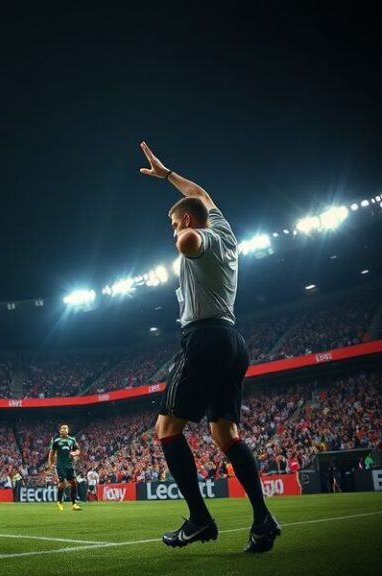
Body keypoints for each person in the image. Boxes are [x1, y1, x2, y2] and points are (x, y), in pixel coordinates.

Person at [139, 142, 280, 553]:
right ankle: (262, 520)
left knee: (166, 430)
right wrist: (167, 175)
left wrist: (185, 236)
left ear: (186, 220)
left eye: (173, 224)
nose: (173, 232)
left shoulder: (200, 239)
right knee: (225, 434)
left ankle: (200, 519)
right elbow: (200, 195)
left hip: (203, 339)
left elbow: (188, 241)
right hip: (232, 340)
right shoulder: (225, 230)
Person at [48, 424, 82, 511]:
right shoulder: (56, 441)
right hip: (60, 465)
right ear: (60, 431)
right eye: (62, 428)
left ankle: (74, 504)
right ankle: (59, 502)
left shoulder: (72, 440)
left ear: (68, 430)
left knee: (74, 483)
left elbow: (78, 450)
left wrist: (75, 453)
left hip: (69, 465)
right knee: (62, 483)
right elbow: (52, 453)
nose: (63, 430)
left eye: (65, 428)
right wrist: (51, 463)